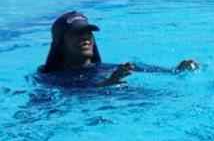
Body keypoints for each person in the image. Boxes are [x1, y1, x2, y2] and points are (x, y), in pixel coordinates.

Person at [37, 11, 199, 87]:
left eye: (88, 32)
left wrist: (175, 70)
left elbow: (139, 69)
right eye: (76, 33)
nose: (85, 37)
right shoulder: (50, 78)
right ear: (60, 44)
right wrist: (105, 85)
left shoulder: (108, 69)